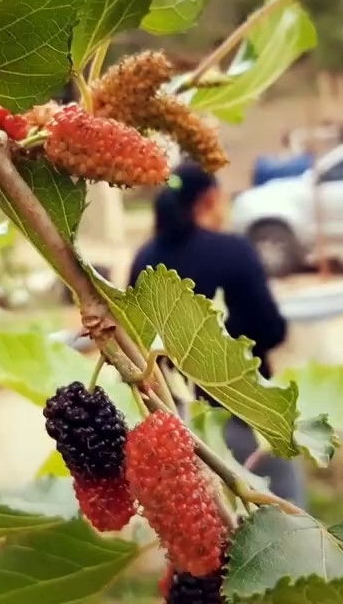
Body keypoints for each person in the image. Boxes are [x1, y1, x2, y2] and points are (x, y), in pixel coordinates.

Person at [128, 162, 302, 506]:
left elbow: (137, 339)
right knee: (284, 517)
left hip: (182, 426)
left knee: (207, 519)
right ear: (209, 200)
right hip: (247, 413)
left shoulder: (145, 259)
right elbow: (272, 329)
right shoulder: (235, 251)